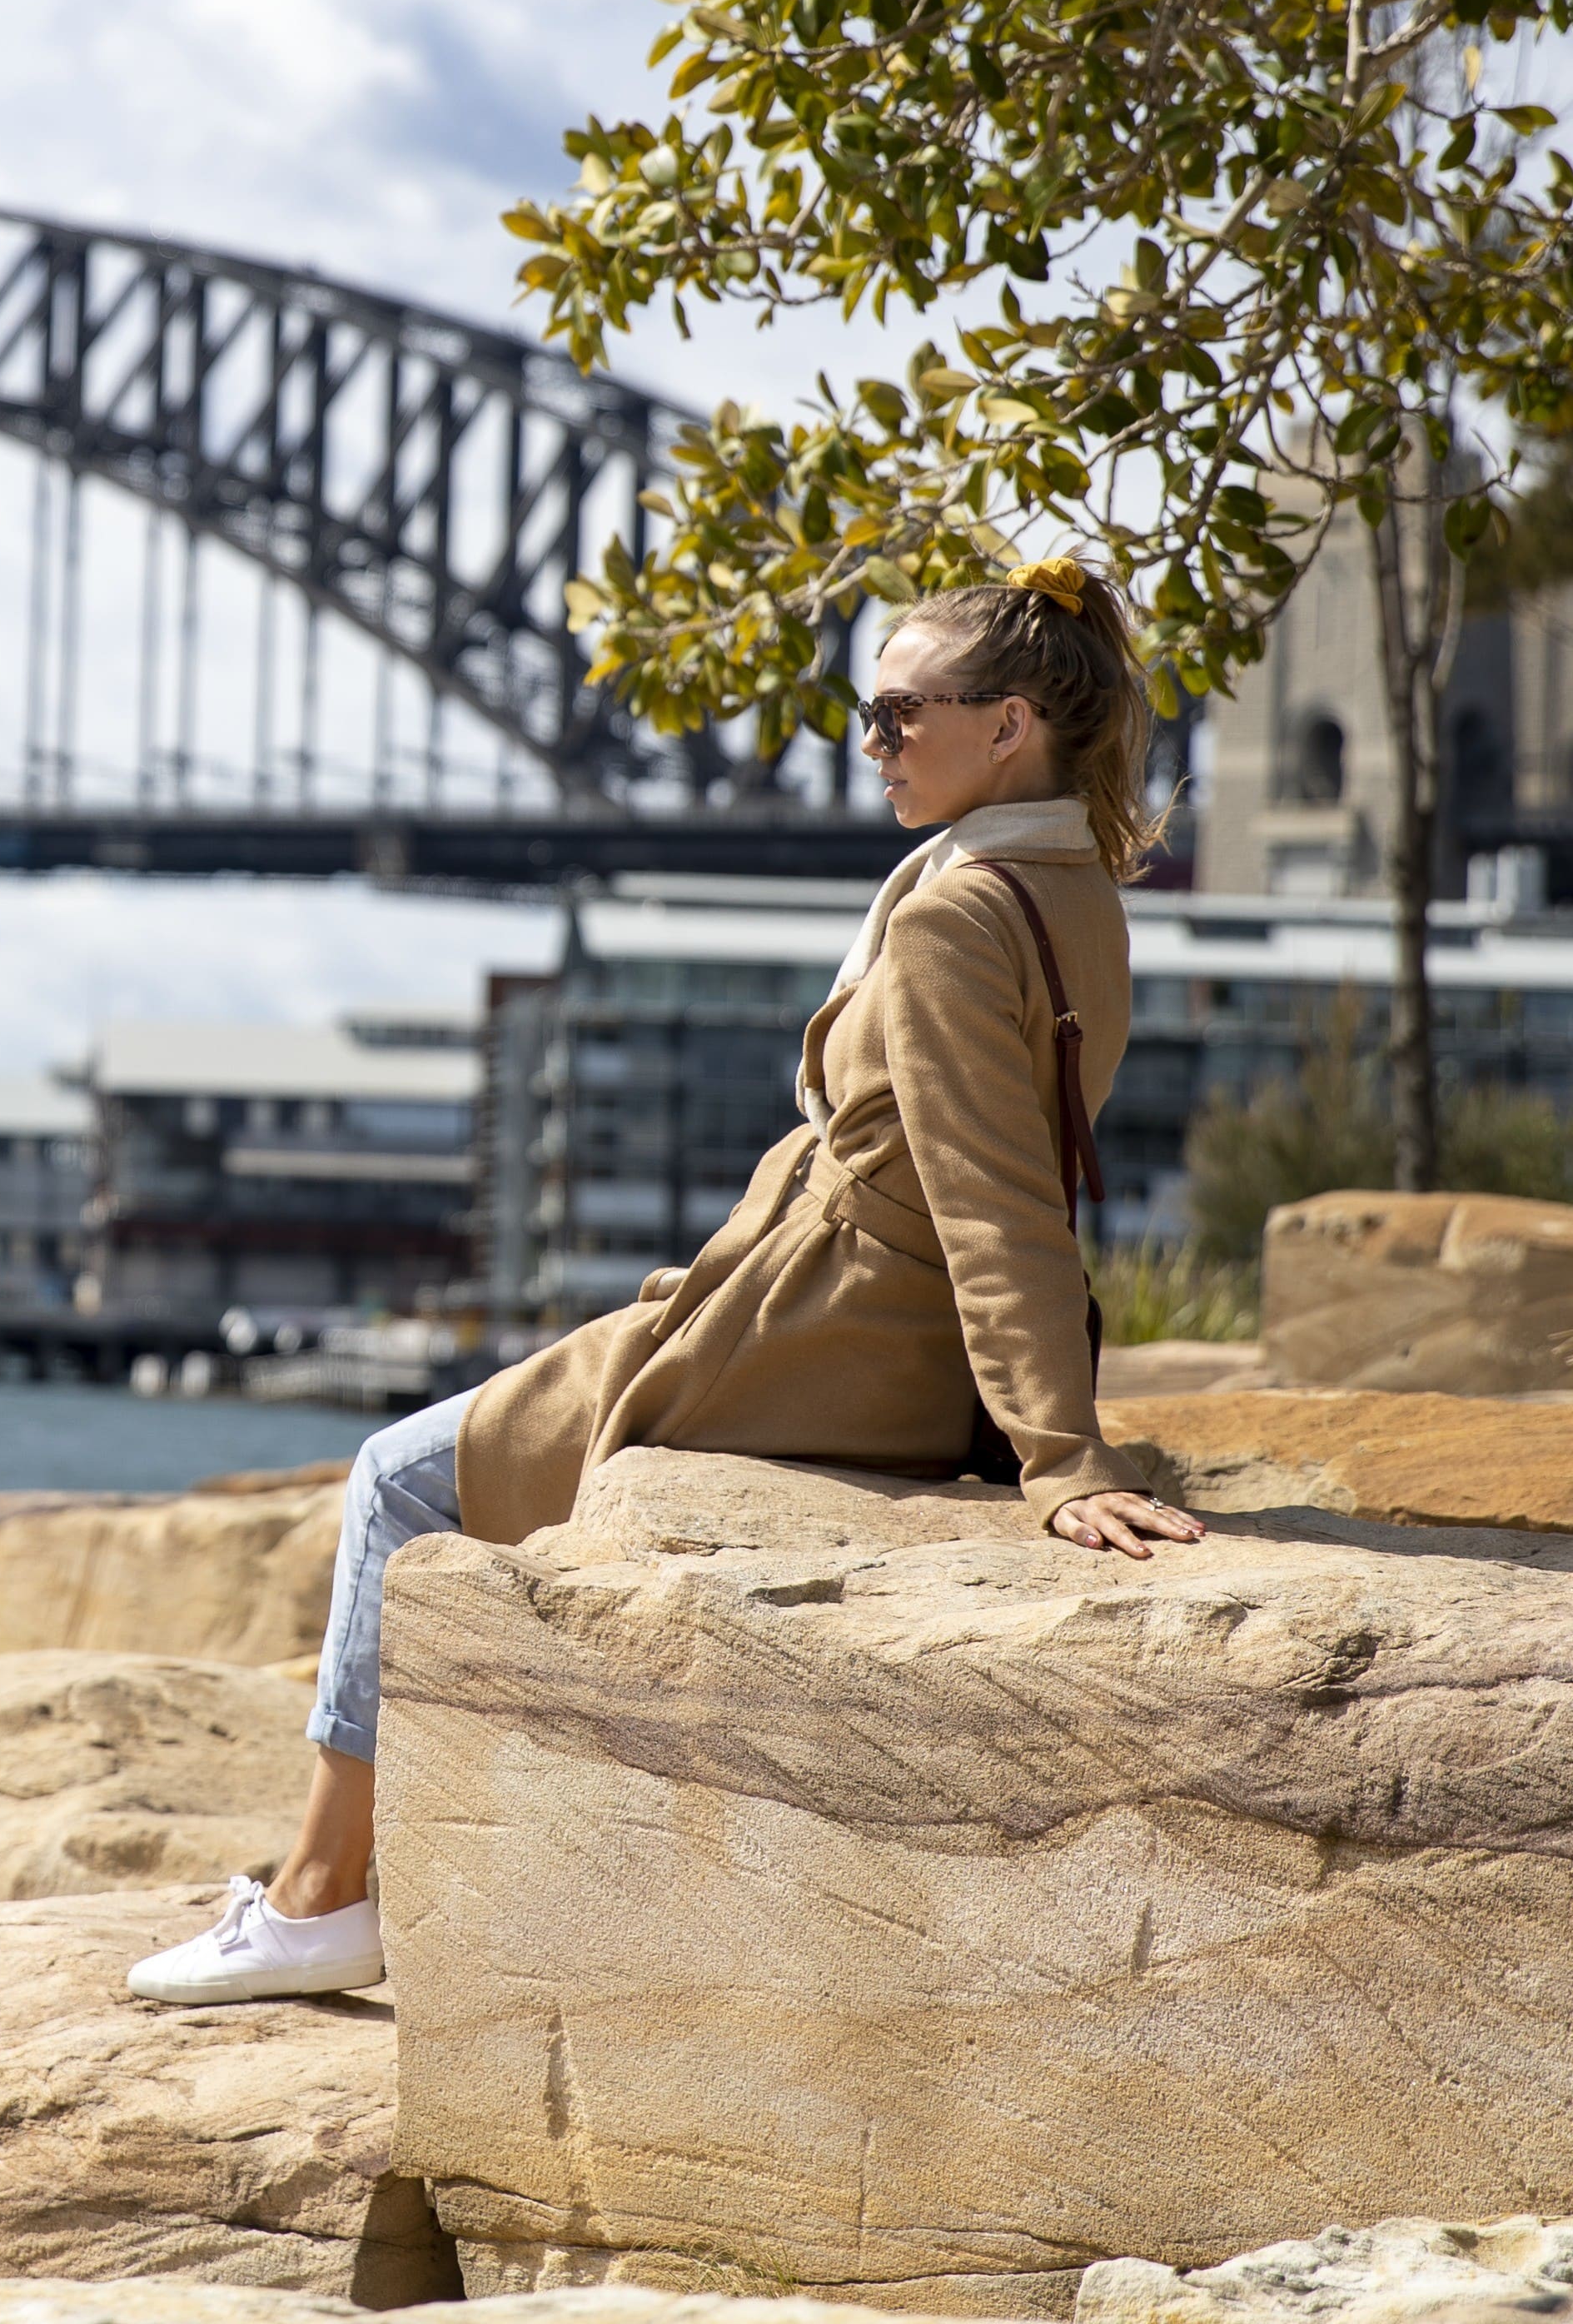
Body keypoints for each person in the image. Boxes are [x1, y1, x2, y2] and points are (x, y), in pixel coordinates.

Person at [127, 555, 1208, 2006]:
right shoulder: (1070, 878)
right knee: (500, 1427)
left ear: (1008, 726)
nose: (871, 744)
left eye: (898, 717)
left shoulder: (959, 911)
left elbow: (991, 1187)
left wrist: (1062, 1457)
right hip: (854, 1309)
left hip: (841, 1322)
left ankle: (323, 1897)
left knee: (398, 1475)